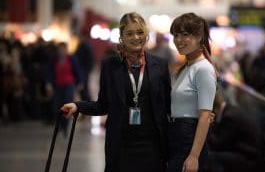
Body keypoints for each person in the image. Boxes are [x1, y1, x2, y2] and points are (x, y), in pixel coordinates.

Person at [61, 12, 171, 172]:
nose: (136, 37)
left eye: (140, 32)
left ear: (146, 35)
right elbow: (102, 105)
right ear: (122, 37)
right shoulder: (110, 66)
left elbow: (168, 106)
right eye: (130, 33)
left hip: (153, 146)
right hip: (121, 145)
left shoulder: (159, 65)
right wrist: (78, 106)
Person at [167, 13, 217, 172]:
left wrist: (194, 156)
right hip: (177, 136)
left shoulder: (203, 69)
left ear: (199, 37)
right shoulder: (187, 67)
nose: (178, 40)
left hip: (189, 140)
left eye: (185, 35)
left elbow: (205, 116)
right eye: (176, 35)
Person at [203, 91, 265, 172]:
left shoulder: (230, 117)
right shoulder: (230, 111)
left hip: (251, 160)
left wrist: (206, 123)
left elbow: (216, 144)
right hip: (247, 154)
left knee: (211, 157)